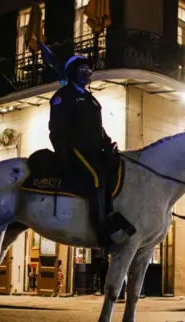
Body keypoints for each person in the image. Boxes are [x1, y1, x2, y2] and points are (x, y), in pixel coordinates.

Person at [48, 55, 136, 247]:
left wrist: (108, 142)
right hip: (77, 150)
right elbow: (57, 130)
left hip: (96, 150)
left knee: (117, 171)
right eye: (82, 70)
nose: (87, 74)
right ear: (72, 73)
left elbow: (98, 127)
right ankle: (101, 231)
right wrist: (65, 156)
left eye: (88, 70)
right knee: (96, 178)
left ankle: (111, 214)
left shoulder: (91, 100)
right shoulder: (63, 96)